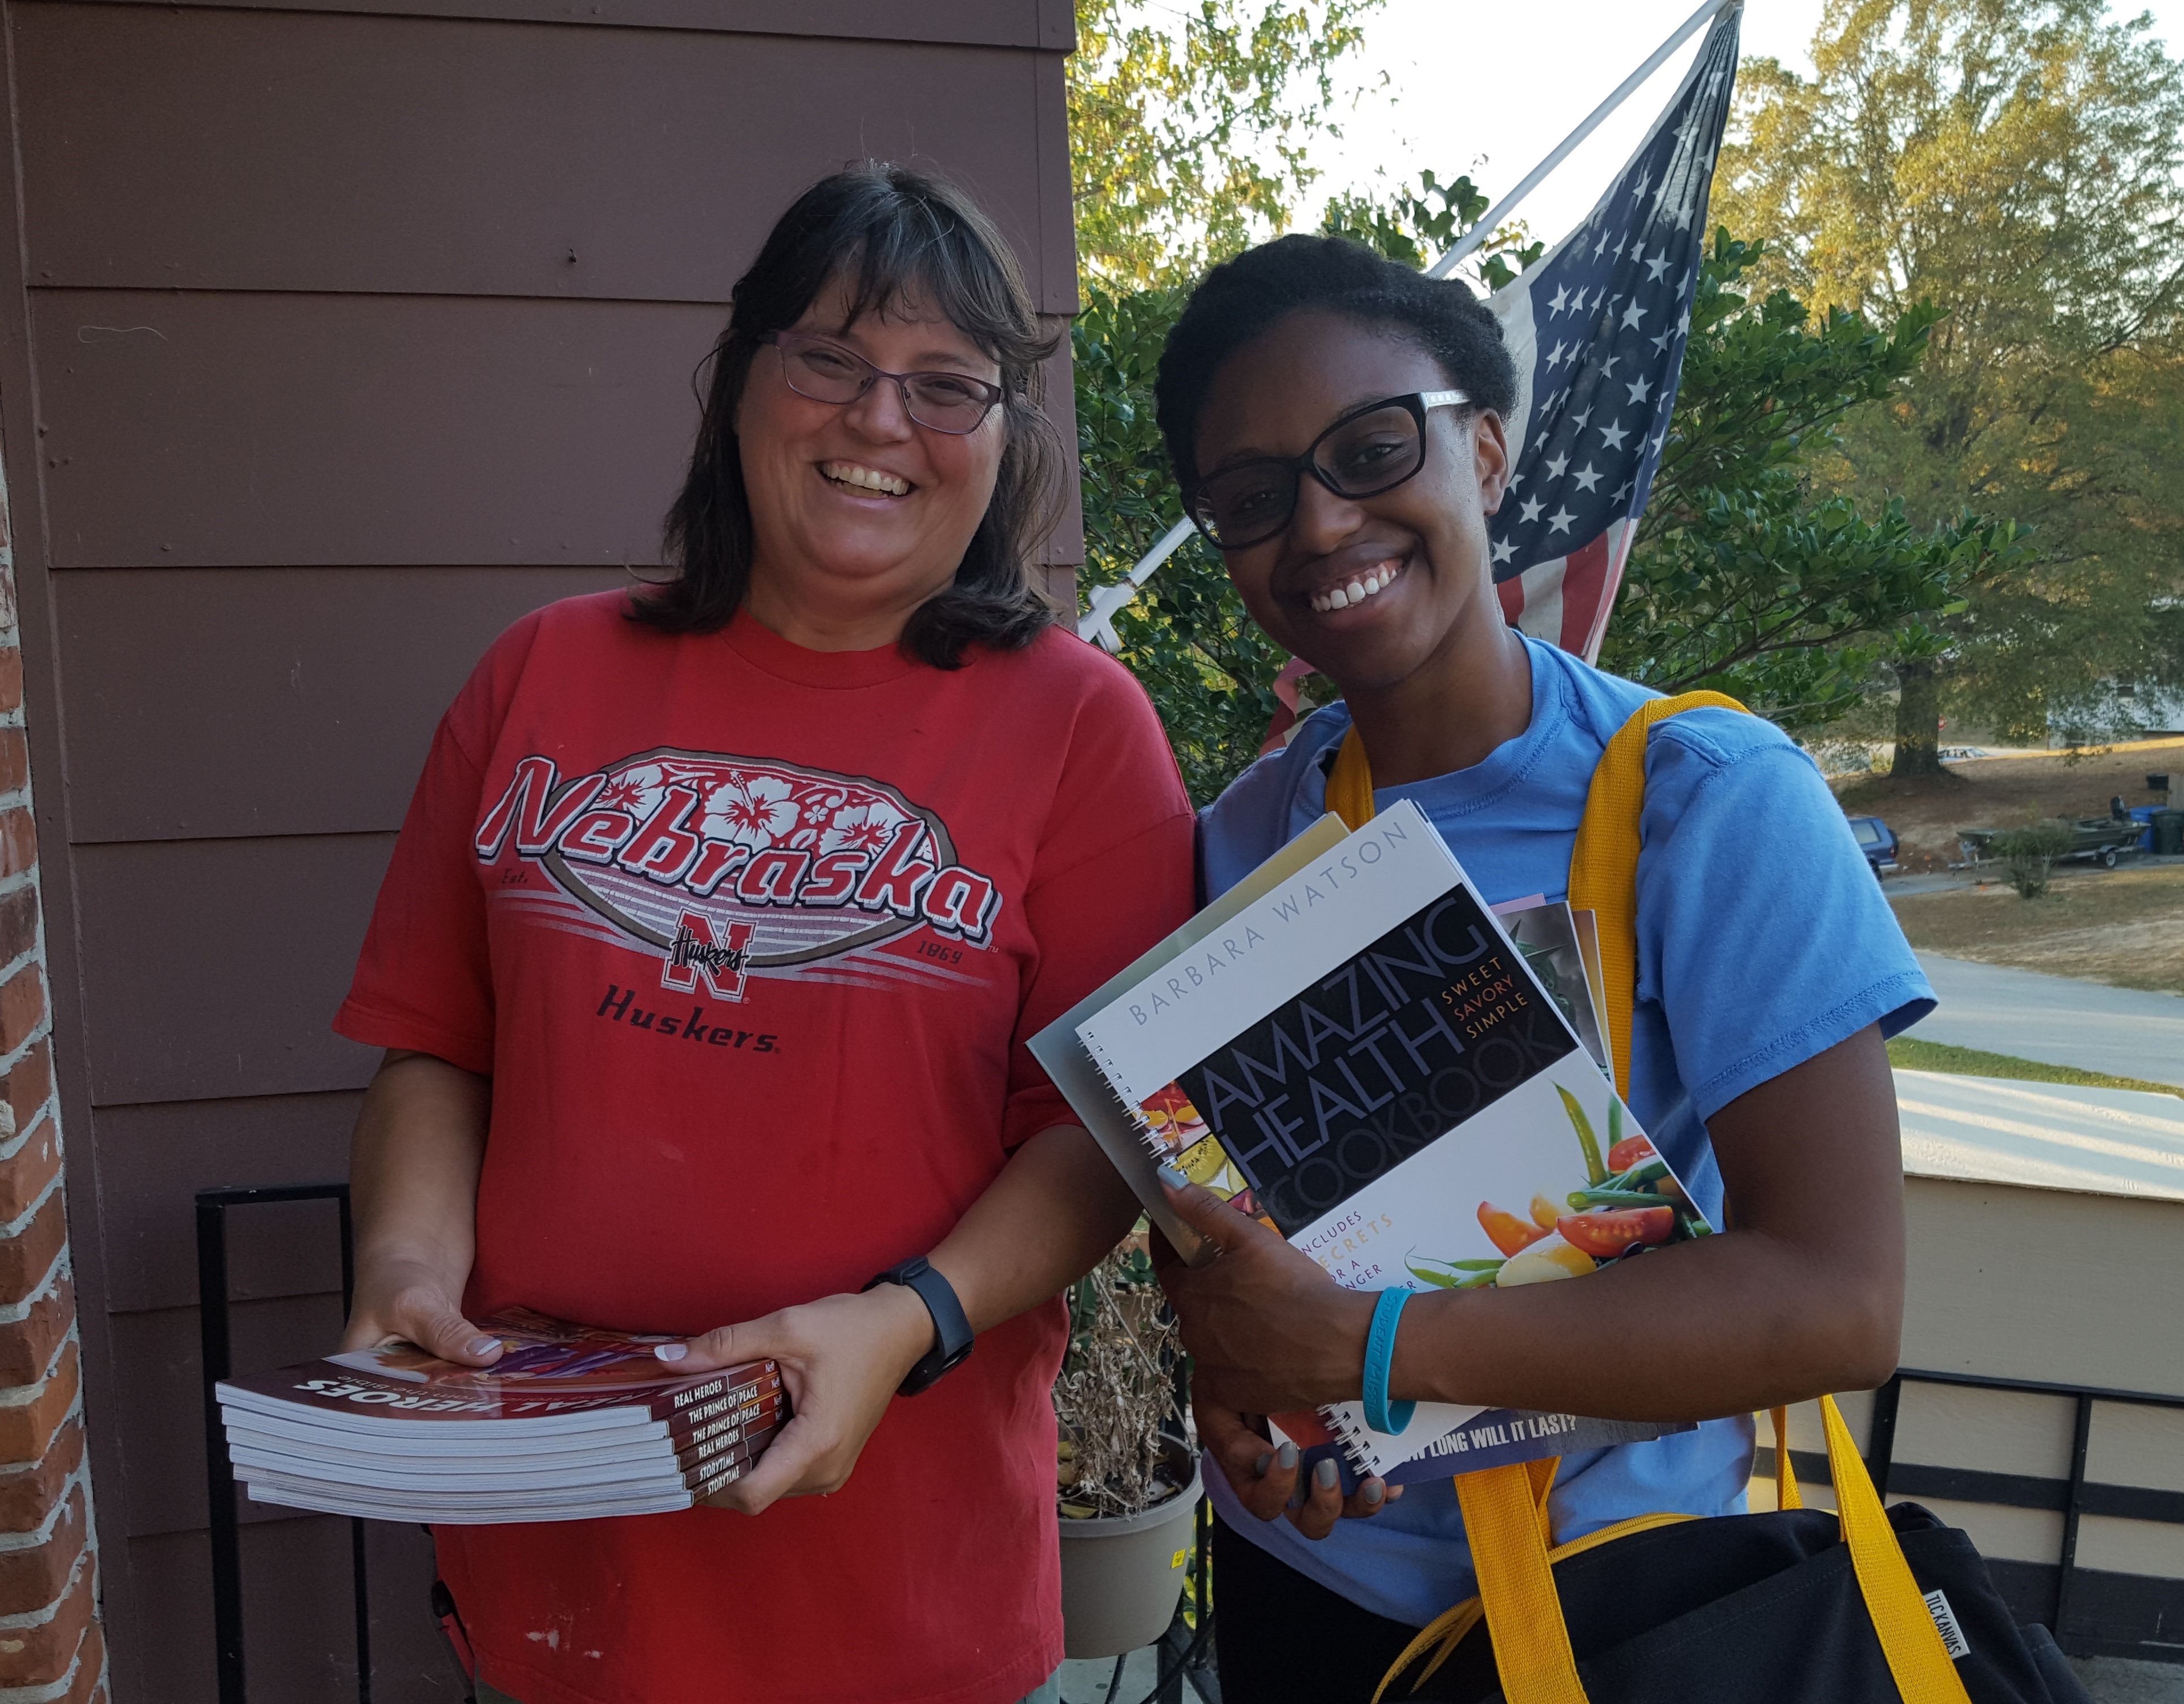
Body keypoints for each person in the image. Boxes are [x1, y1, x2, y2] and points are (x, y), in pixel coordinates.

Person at [333, 164, 1193, 1704]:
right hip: (562, 1547)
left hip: (897, 1581)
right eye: (828, 362)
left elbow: (1099, 1138)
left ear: (1006, 439)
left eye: (947, 385)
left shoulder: (1082, 730)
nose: (879, 422)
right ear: (741, 381)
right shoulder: (539, 674)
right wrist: (406, 1259)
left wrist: (906, 1319)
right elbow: (438, 1045)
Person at [1141, 235, 1935, 1702]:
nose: (1320, 523)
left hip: (1630, 1614)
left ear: (1486, 451)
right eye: (1251, 497)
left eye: (1372, 449)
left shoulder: (1707, 795)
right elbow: (1240, 1224)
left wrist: (1368, 1346)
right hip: (1309, 1590)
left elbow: (1838, 1301)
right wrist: (1253, 1393)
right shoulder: (1244, 832)